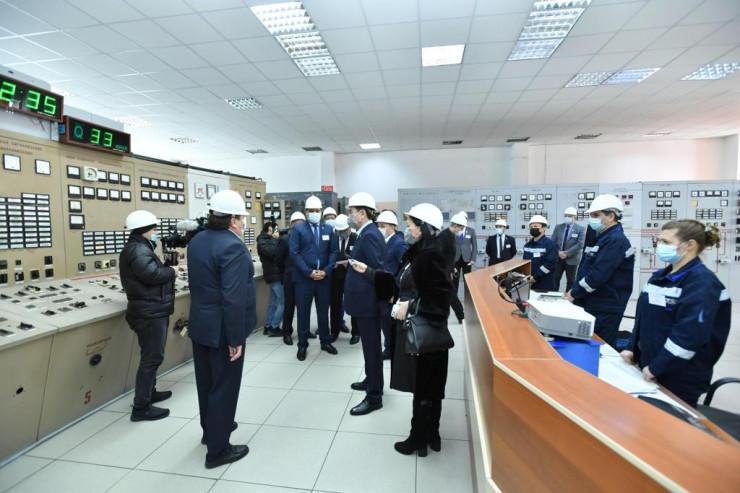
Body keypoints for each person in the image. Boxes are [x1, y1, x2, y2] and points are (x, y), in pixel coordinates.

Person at [350, 203, 452, 457]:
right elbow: (399, 284)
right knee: (424, 387)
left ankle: (421, 437)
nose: (408, 228)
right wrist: (369, 272)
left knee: (427, 388)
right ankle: (428, 435)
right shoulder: (418, 252)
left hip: (428, 333)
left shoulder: (432, 255)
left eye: (412, 224)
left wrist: (411, 304)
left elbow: (440, 301)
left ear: (424, 227)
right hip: (418, 330)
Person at [621, 221, 730, 408]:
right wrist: (632, 347)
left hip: (679, 376)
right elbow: (643, 318)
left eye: (666, 242)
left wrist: (657, 367)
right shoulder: (659, 277)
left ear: (690, 245)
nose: (659, 246)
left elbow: (689, 336)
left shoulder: (702, 283)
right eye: (659, 240)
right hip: (650, 367)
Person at [187, 190, 255, 469]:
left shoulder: (197, 240)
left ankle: (210, 431)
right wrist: (235, 338)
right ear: (233, 220)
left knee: (206, 383)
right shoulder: (233, 246)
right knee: (224, 387)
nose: (243, 223)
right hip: (224, 330)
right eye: (242, 218)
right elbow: (233, 297)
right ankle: (218, 451)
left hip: (201, 325)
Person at [120, 210, 178, 422]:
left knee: (152, 356)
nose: (156, 233)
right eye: (154, 229)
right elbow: (152, 275)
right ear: (144, 230)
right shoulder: (138, 250)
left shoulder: (140, 247)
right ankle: (141, 407)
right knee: (151, 359)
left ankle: (149, 393)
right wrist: (173, 271)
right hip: (149, 312)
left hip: (150, 308)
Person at [565, 194, 635, 349]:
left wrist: (574, 293)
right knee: (587, 345)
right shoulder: (601, 237)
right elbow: (586, 268)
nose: (592, 219)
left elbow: (596, 276)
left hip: (605, 306)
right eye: (591, 215)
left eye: (596, 215)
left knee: (600, 349)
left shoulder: (616, 240)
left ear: (611, 216)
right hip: (592, 302)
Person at [345, 192, 387, 416]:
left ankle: (374, 396)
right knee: (370, 349)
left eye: (351, 212)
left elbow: (376, 270)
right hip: (364, 301)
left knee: (372, 350)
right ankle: (372, 380)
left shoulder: (370, 235)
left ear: (362, 213)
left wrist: (360, 268)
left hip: (368, 302)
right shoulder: (365, 233)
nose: (350, 216)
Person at [290, 195, 339, 361]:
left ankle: (325, 341)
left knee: (323, 312)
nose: (314, 213)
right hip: (304, 279)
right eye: (311, 210)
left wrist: (326, 271)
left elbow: (334, 251)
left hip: (323, 279)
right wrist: (308, 272)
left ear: (321, 211)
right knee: (303, 313)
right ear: (306, 212)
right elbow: (294, 253)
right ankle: (302, 345)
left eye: (317, 210)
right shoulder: (298, 229)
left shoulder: (328, 229)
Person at [377, 210, 408, 359]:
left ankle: (392, 350)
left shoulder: (399, 243)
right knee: (385, 322)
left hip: (392, 292)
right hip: (383, 290)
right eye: (378, 226)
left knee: (390, 323)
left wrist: (394, 293)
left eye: (383, 226)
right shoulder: (382, 242)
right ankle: (389, 348)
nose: (380, 229)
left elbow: (404, 270)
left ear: (393, 227)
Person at [276, 212, 305, 346]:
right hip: (290, 278)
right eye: (295, 222)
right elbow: (278, 260)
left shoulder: (307, 238)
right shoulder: (285, 239)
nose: (298, 225)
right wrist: (286, 271)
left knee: (303, 307)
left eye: (301, 222)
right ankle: (286, 332)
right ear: (291, 224)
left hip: (305, 278)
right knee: (289, 306)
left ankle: (303, 331)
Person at [329, 214, 359, 343]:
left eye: (344, 230)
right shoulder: (334, 238)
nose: (342, 233)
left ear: (349, 228)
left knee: (354, 305)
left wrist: (350, 263)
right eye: (339, 231)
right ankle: (334, 331)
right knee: (335, 305)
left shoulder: (356, 238)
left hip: (351, 277)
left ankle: (356, 333)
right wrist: (332, 264)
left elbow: (360, 257)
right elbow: (329, 254)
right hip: (336, 277)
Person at [257, 222, 283, 337]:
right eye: (275, 229)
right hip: (273, 275)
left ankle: (268, 326)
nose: (277, 231)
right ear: (269, 229)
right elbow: (271, 253)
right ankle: (274, 327)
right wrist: (274, 239)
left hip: (275, 274)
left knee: (273, 303)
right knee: (284, 302)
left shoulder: (268, 239)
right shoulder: (262, 240)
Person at [551, 207, 586, 292]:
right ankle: (553, 295)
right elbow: (553, 242)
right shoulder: (558, 227)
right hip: (558, 258)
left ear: (575, 218)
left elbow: (580, 244)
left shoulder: (580, 229)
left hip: (572, 259)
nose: (567, 218)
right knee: (555, 279)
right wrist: (558, 252)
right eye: (566, 216)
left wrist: (566, 253)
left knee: (571, 280)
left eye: (570, 216)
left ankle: (568, 297)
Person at [439, 214, 466, 323]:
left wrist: (453, 267)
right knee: (451, 294)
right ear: (455, 226)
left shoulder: (451, 235)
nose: (461, 230)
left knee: (449, 295)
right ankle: (461, 316)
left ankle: (460, 316)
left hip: (447, 270)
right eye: (461, 228)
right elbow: (440, 256)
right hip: (442, 272)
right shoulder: (443, 236)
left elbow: (449, 255)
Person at [522, 215, 558, 292]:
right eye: (531, 227)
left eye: (535, 226)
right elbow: (524, 264)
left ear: (544, 228)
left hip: (544, 284)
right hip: (529, 283)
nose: (532, 228)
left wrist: (534, 278)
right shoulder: (527, 245)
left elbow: (549, 264)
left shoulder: (551, 245)